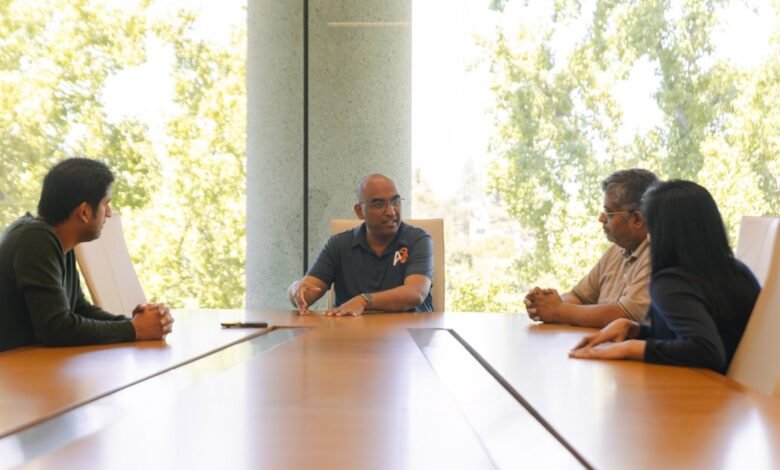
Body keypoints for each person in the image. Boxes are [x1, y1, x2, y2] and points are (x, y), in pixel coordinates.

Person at [569, 180, 760, 374]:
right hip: (739, 398)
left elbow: (707, 350)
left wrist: (630, 348)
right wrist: (636, 331)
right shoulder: (738, 271)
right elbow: (699, 339)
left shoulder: (670, 282)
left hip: (702, 393)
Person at [0, 158, 174, 352]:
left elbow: (78, 308)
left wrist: (135, 324)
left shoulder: (56, 240)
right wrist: (134, 329)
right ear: (84, 212)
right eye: (105, 204)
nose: (108, 213)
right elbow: (57, 328)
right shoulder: (36, 239)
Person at [524, 168, 659, 328]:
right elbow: (579, 297)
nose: (601, 218)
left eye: (609, 213)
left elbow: (624, 316)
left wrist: (558, 311)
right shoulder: (617, 249)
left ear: (636, 219)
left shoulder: (658, 254)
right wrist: (543, 305)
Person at [287, 174, 433, 316]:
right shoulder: (339, 244)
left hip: (409, 334)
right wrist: (295, 289)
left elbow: (415, 293)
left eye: (395, 202)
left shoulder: (418, 239)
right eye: (378, 204)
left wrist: (365, 300)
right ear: (359, 211)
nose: (390, 211)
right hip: (351, 333)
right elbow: (307, 292)